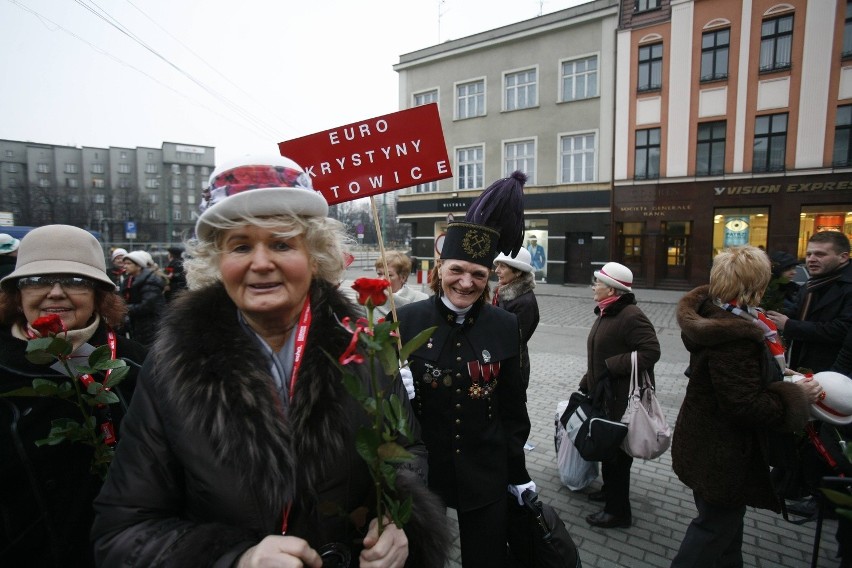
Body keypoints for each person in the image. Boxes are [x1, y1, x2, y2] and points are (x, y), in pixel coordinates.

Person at [91, 155, 448, 568]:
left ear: (314, 258)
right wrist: (235, 560)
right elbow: (121, 531)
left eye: (281, 243)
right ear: (217, 262)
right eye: (240, 246)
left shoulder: (365, 346)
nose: (261, 263)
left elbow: (408, 449)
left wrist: (398, 521)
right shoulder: (171, 367)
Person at [394, 171, 535, 567]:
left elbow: (513, 407)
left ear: (489, 276)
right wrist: (392, 387)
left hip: (484, 468)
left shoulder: (505, 325)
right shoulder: (405, 320)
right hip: (423, 469)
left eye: (478, 273)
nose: (466, 282)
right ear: (439, 269)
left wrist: (518, 472)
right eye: (457, 270)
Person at [0, 224, 146, 567]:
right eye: (36, 280)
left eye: (75, 281)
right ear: (17, 294)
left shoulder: (139, 363)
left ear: (99, 293)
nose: (55, 293)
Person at [671, 245, 822, 567]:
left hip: (709, 445)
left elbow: (743, 381)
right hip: (723, 453)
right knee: (713, 529)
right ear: (758, 284)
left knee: (726, 531)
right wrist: (798, 397)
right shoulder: (736, 335)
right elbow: (744, 404)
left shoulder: (723, 316)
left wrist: (781, 374)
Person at [579, 261, 660, 529]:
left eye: (598, 283)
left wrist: (612, 366)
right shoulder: (607, 312)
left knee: (617, 457)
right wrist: (589, 380)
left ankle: (618, 512)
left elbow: (651, 351)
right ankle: (608, 493)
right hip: (604, 394)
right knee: (608, 450)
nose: (594, 287)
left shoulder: (630, 315)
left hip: (621, 399)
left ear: (612, 288)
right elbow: (599, 354)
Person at [767, 231, 852, 374]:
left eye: (820, 254)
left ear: (843, 257)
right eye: (808, 254)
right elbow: (799, 312)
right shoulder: (814, 283)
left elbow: (843, 330)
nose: (811, 259)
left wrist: (789, 325)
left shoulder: (847, 286)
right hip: (804, 366)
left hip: (835, 371)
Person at [492, 247, 539, 395]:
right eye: (497, 265)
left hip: (511, 370)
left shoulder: (524, 302)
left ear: (518, 272)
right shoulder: (503, 293)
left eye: (503, 266)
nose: (497, 270)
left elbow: (513, 340)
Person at [119, 251, 165, 347]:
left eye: (129, 263)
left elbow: (147, 306)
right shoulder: (129, 280)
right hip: (138, 325)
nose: (125, 266)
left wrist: (125, 309)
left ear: (139, 266)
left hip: (150, 325)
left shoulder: (151, 281)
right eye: (124, 263)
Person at [371, 250, 428, 320]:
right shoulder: (369, 300)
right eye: (379, 274)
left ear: (403, 277)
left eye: (389, 275)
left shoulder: (422, 300)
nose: (381, 279)